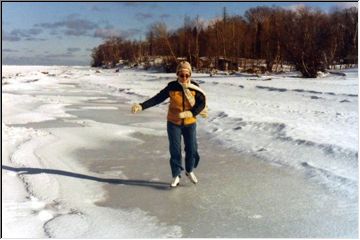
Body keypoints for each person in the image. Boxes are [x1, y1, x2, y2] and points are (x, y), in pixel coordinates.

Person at [131, 61, 207, 187]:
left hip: (190, 123)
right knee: (175, 149)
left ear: (190, 75)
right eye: (181, 75)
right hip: (174, 123)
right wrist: (141, 106)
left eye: (187, 75)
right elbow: (157, 98)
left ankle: (189, 170)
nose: (184, 78)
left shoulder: (195, 87)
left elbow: (202, 103)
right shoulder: (172, 87)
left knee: (192, 149)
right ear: (177, 74)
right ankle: (176, 174)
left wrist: (191, 113)